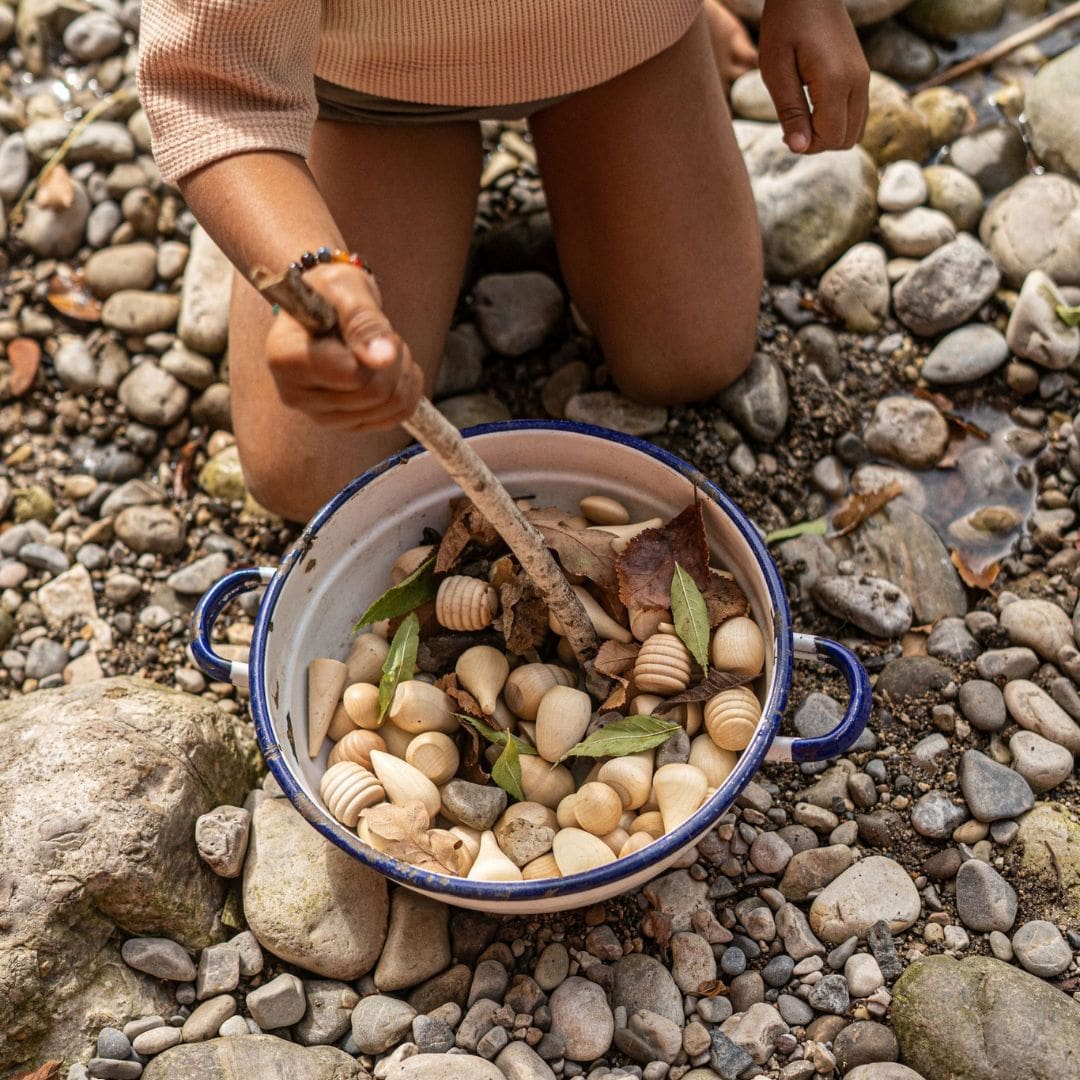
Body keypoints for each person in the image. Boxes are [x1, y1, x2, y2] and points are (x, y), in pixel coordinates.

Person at [137, 0, 869, 522]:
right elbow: (211, 83)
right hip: (371, 80)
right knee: (311, 473)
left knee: (692, 352)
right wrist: (311, 268)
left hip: (619, 34)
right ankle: (301, 151)